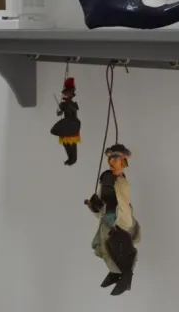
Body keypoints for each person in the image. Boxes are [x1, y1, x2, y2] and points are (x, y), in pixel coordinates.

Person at [86, 143, 141, 296]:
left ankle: (126, 275)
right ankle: (115, 272)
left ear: (123, 161)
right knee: (105, 247)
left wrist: (123, 223)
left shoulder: (122, 183)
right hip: (107, 217)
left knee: (119, 248)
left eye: (116, 158)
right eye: (110, 157)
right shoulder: (105, 177)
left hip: (118, 220)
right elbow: (101, 197)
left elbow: (124, 204)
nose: (111, 161)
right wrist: (95, 206)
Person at [50, 77, 81, 165]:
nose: (65, 95)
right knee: (65, 142)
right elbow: (59, 113)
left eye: (67, 93)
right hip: (66, 123)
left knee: (72, 143)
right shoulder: (63, 104)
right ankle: (70, 157)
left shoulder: (72, 104)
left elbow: (74, 111)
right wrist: (59, 111)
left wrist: (68, 105)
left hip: (72, 123)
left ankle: (73, 158)